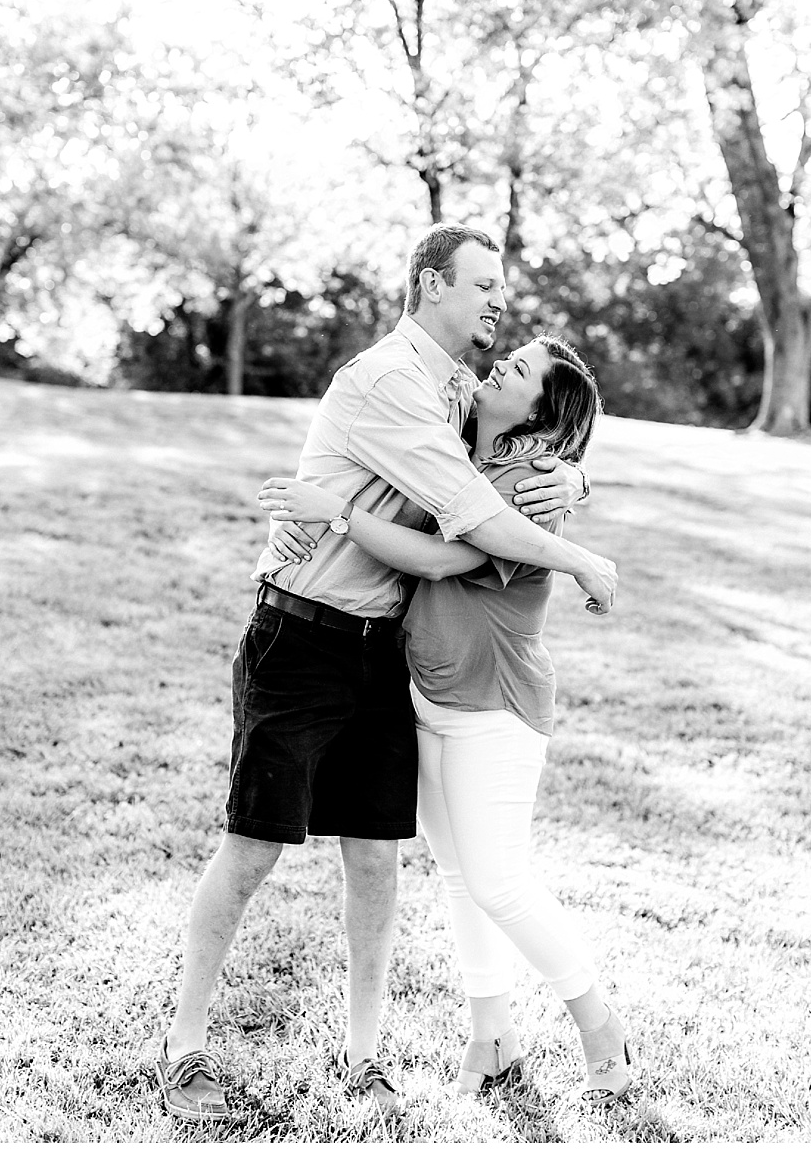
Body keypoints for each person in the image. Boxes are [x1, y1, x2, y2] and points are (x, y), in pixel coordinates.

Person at [153, 224, 619, 1122]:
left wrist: (571, 483)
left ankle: (363, 1057)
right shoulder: (388, 383)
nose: (497, 304)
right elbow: (469, 524)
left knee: (376, 860)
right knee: (253, 849)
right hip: (303, 636)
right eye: (482, 285)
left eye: (502, 290)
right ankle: (184, 1049)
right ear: (429, 283)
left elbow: (511, 464)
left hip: (384, 652)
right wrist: (582, 560)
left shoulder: (457, 392)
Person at [258, 335, 636, 1105]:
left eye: (522, 371)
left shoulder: (528, 490)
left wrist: (338, 515)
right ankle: (490, 1036)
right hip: (426, 696)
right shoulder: (464, 438)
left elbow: (433, 562)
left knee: (498, 882)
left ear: (541, 421)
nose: (503, 365)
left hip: (495, 706)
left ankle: (599, 1024)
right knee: (462, 877)